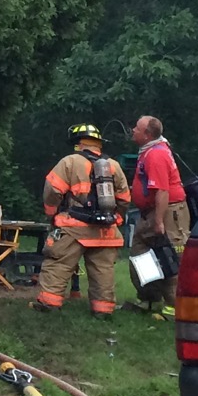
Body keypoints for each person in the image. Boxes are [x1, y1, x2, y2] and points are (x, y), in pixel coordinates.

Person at [38, 123, 130, 316]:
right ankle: (103, 311)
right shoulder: (113, 166)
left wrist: (53, 214)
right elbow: (124, 198)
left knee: (59, 264)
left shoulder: (69, 162)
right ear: (99, 144)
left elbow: (53, 190)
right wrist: (116, 218)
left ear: (78, 144)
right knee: (103, 271)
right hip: (106, 230)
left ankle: (49, 305)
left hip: (74, 227)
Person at [128, 115, 189, 315]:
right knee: (141, 254)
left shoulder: (156, 154)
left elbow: (162, 191)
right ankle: (150, 301)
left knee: (170, 256)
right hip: (149, 212)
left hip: (167, 212)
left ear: (147, 134)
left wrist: (159, 222)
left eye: (136, 128)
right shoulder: (149, 151)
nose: (132, 130)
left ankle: (175, 308)